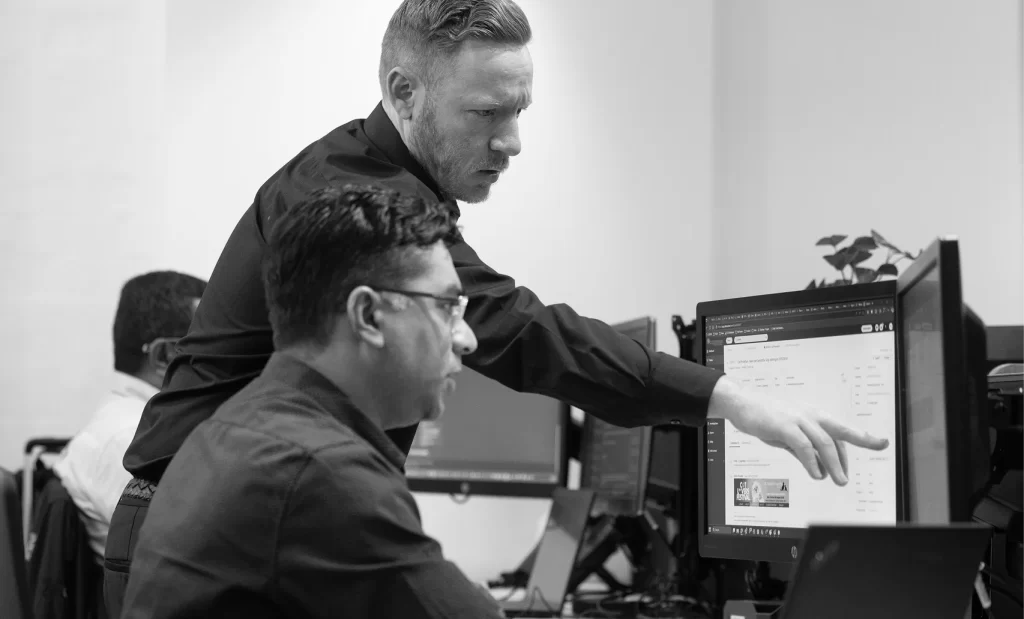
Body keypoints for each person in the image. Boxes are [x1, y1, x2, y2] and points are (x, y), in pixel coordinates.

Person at [104, 0, 889, 610]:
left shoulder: (375, 179)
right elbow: (518, 328)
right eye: (487, 114)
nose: (512, 141)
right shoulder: (360, 200)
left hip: (231, 519)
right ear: (403, 92)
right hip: (230, 525)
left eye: (519, 111)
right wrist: (723, 393)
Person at [121, 185, 506, 618]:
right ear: (368, 316)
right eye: (447, 307)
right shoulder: (322, 470)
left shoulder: (237, 427)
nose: (467, 338)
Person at [53, 271, 205, 560]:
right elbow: (191, 557)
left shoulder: (129, 424)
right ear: (162, 356)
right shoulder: (133, 440)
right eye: (211, 344)